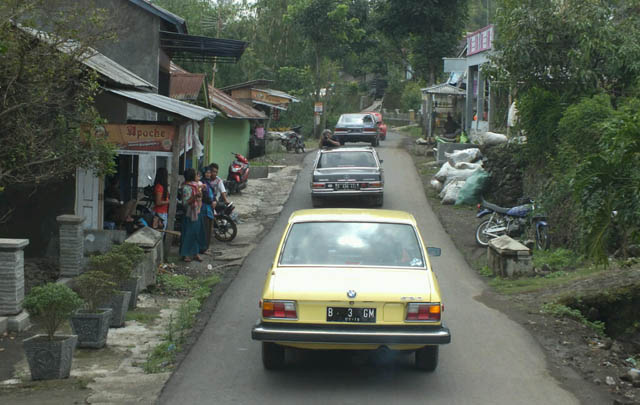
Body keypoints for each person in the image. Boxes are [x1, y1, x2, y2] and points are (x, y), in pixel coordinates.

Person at [179, 168, 203, 262]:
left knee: (196, 233)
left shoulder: (195, 185)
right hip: (189, 213)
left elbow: (200, 197)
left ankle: (195, 253)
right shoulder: (186, 187)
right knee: (188, 233)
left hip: (197, 212)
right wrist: (195, 197)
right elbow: (186, 202)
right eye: (195, 174)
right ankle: (185, 254)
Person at [200, 167, 217, 254]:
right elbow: (203, 196)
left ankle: (206, 247)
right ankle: (203, 248)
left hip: (209, 208)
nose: (208, 174)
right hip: (204, 208)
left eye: (209, 173)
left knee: (209, 228)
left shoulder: (208, 183)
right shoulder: (202, 183)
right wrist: (211, 202)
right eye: (207, 173)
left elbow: (212, 194)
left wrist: (214, 201)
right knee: (205, 229)